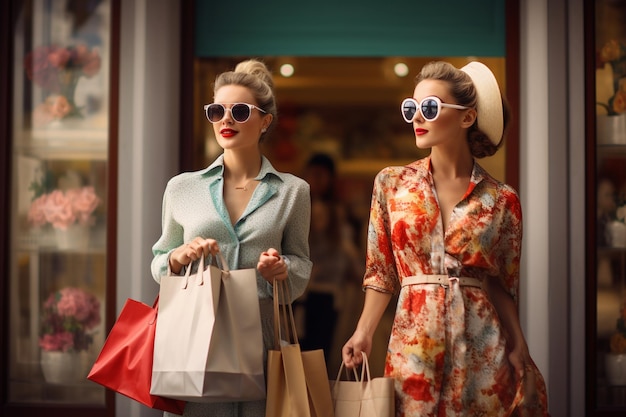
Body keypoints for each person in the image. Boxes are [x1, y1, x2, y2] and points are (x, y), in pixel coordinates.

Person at [341, 61, 550, 416]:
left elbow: (501, 284)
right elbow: (381, 273)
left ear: (467, 118)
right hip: (413, 346)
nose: (417, 118)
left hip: (482, 345)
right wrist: (363, 332)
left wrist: (518, 344)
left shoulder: (502, 199)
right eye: (412, 108)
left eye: (430, 107)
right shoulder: (391, 184)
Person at [151, 59, 312, 417]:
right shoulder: (182, 188)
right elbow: (159, 260)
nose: (226, 120)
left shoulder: (293, 192)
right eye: (216, 111)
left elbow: (302, 265)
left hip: (262, 341)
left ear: (265, 121)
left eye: (239, 111)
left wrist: (281, 269)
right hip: (195, 339)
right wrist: (178, 256)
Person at [300, 153, 363, 376]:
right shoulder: (299, 206)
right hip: (301, 293)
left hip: (327, 293)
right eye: (311, 175)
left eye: (320, 175)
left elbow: (345, 255)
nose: (315, 180)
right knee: (301, 353)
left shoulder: (338, 211)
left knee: (321, 354)